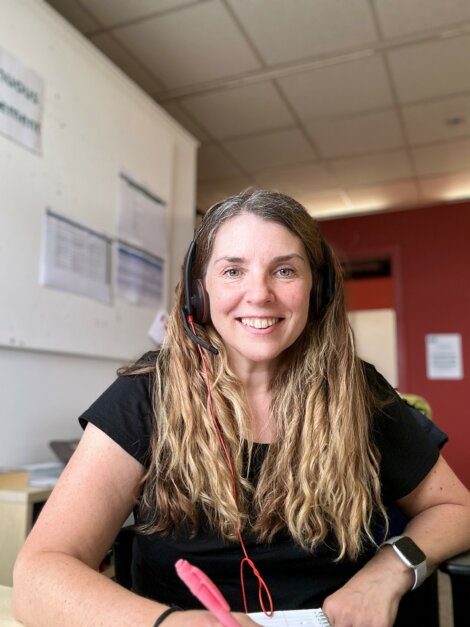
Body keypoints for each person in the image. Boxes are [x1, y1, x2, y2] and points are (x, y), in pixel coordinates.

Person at [13, 189, 470, 627]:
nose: (260, 294)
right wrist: (170, 624)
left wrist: (390, 570)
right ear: (200, 292)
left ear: (319, 289)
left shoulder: (358, 391)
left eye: (285, 271)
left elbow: (456, 507)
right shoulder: (147, 394)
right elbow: (37, 577)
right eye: (233, 271)